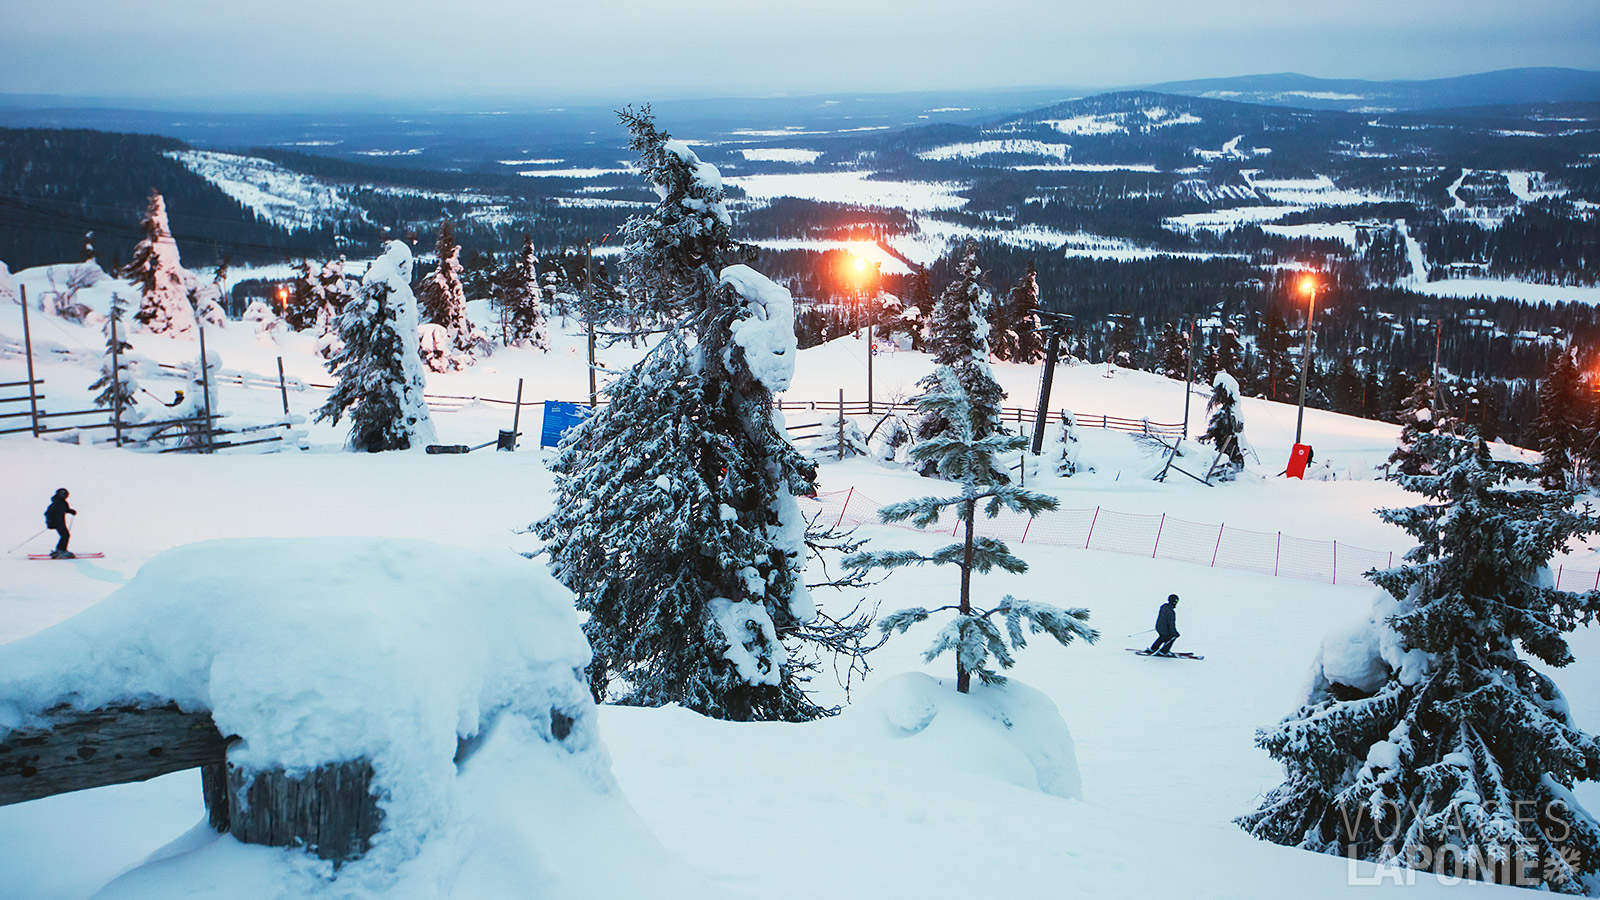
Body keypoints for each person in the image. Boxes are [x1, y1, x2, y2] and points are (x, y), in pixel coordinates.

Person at [45, 488, 76, 559]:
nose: (64, 495)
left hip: (61, 522)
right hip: (56, 522)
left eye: (65, 494)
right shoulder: (56, 502)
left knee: (65, 535)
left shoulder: (63, 503)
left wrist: (71, 511)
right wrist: (49, 522)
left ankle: (60, 550)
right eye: (62, 494)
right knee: (65, 535)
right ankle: (61, 550)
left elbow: (65, 509)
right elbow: (48, 513)